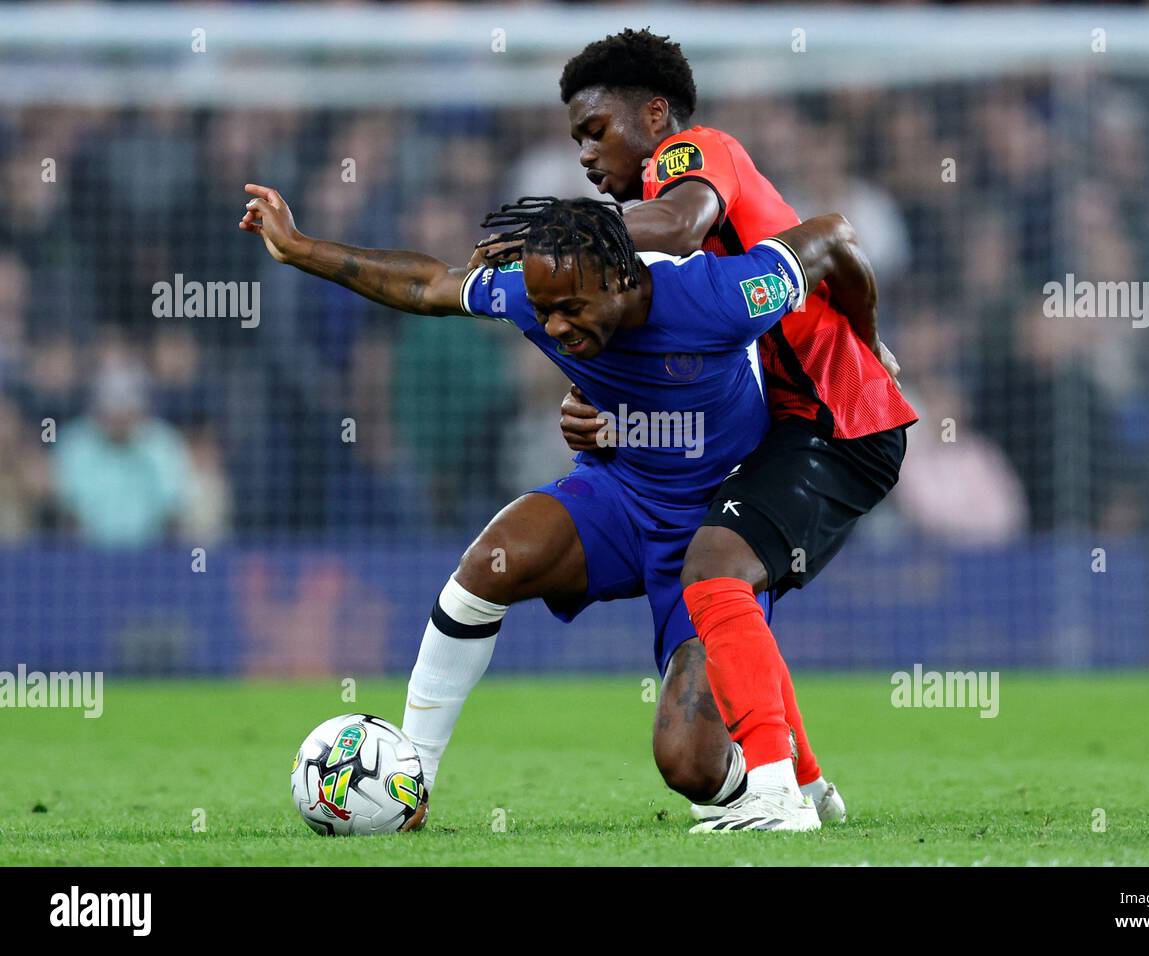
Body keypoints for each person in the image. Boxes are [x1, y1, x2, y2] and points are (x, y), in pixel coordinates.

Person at [241, 187, 875, 830]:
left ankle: (778, 778)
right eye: (543, 312)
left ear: (620, 277)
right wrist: (300, 249)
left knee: (689, 766)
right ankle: (412, 786)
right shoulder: (536, 290)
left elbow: (831, 236)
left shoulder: (717, 295)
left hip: (719, 526)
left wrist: (868, 347)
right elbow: (427, 285)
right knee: (490, 564)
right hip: (621, 494)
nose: (554, 329)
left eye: (570, 309)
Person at [551, 30, 918, 829]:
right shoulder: (655, 223)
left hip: (835, 422)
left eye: (595, 129)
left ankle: (776, 792)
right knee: (726, 579)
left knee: (714, 564)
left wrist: (564, 234)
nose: (584, 153)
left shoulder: (688, 154)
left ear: (654, 114)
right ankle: (810, 782)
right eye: (576, 137)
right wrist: (869, 333)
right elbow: (835, 242)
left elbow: (684, 226)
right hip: (805, 421)